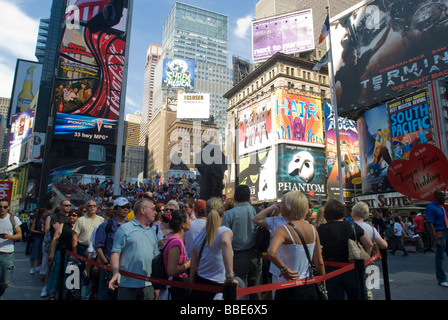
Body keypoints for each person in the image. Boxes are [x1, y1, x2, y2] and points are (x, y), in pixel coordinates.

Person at [268, 191, 326, 300]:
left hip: (288, 287)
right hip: (309, 285)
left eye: (283, 203)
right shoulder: (312, 229)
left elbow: (272, 253)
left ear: (290, 207)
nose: (280, 206)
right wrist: (324, 289)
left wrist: (284, 269)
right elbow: (320, 263)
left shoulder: (282, 229)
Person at [317, 199, 372, 300]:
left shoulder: (320, 229)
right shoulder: (351, 226)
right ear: (342, 212)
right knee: (358, 296)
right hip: (351, 269)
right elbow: (369, 244)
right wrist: (365, 260)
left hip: (329, 271)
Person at [108, 197, 159, 300]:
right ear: (143, 210)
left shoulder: (152, 232)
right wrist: (115, 272)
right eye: (153, 209)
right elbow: (115, 253)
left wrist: (156, 284)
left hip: (148, 286)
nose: (156, 212)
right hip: (127, 285)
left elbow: (155, 258)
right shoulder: (125, 229)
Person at [189, 197, 238, 300]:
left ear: (206, 213)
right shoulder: (225, 231)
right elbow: (225, 242)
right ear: (223, 214)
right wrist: (230, 276)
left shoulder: (199, 236)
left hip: (200, 284)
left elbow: (193, 266)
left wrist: (191, 285)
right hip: (219, 287)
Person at [221, 184, 262, 300]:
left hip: (238, 257)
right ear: (249, 197)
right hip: (255, 256)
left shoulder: (229, 214)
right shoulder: (257, 211)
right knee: (256, 291)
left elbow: (223, 237)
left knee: (240, 292)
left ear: (234, 198)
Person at [94, 197, 130, 300]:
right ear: (115, 209)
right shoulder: (106, 225)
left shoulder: (130, 226)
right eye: (123, 207)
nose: (126, 209)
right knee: (107, 295)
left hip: (125, 267)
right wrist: (106, 263)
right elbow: (98, 246)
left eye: (128, 207)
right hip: (109, 266)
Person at [47, 209, 79, 300]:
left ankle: (68, 293)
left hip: (74, 254)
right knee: (56, 273)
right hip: (61, 253)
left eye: (74, 215)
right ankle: (52, 294)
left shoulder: (79, 226)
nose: (71, 217)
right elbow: (55, 239)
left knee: (72, 275)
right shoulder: (63, 225)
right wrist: (52, 253)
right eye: (70, 215)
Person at [162, 209, 191, 300]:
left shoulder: (177, 240)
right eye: (188, 219)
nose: (190, 221)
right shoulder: (176, 242)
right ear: (182, 224)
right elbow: (171, 270)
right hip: (176, 286)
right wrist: (189, 263)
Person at [425, 190, 448, 287]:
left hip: (446, 232)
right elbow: (430, 224)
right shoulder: (430, 207)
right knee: (440, 257)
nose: (444, 197)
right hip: (440, 233)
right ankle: (441, 279)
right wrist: (436, 239)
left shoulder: (443, 207)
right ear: (437, 196)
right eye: (443, 195)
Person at [0, 199, 22, 298]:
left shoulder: (13, 219)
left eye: (4, 207)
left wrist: (8, 236)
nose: (2, 209)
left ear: (8, 207)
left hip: (7, 254)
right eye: (0, 206)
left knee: (5, 282)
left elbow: (19, 235)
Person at [29, 208, 46, 275]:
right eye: (44, 212)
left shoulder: (45, 220)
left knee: (40, 252)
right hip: (37, 237)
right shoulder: (36, 220)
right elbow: (31, 229)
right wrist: (39, 232)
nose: (45, 214)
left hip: (42, 237)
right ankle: (32, 267)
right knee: (34, 251)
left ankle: (38, 265)